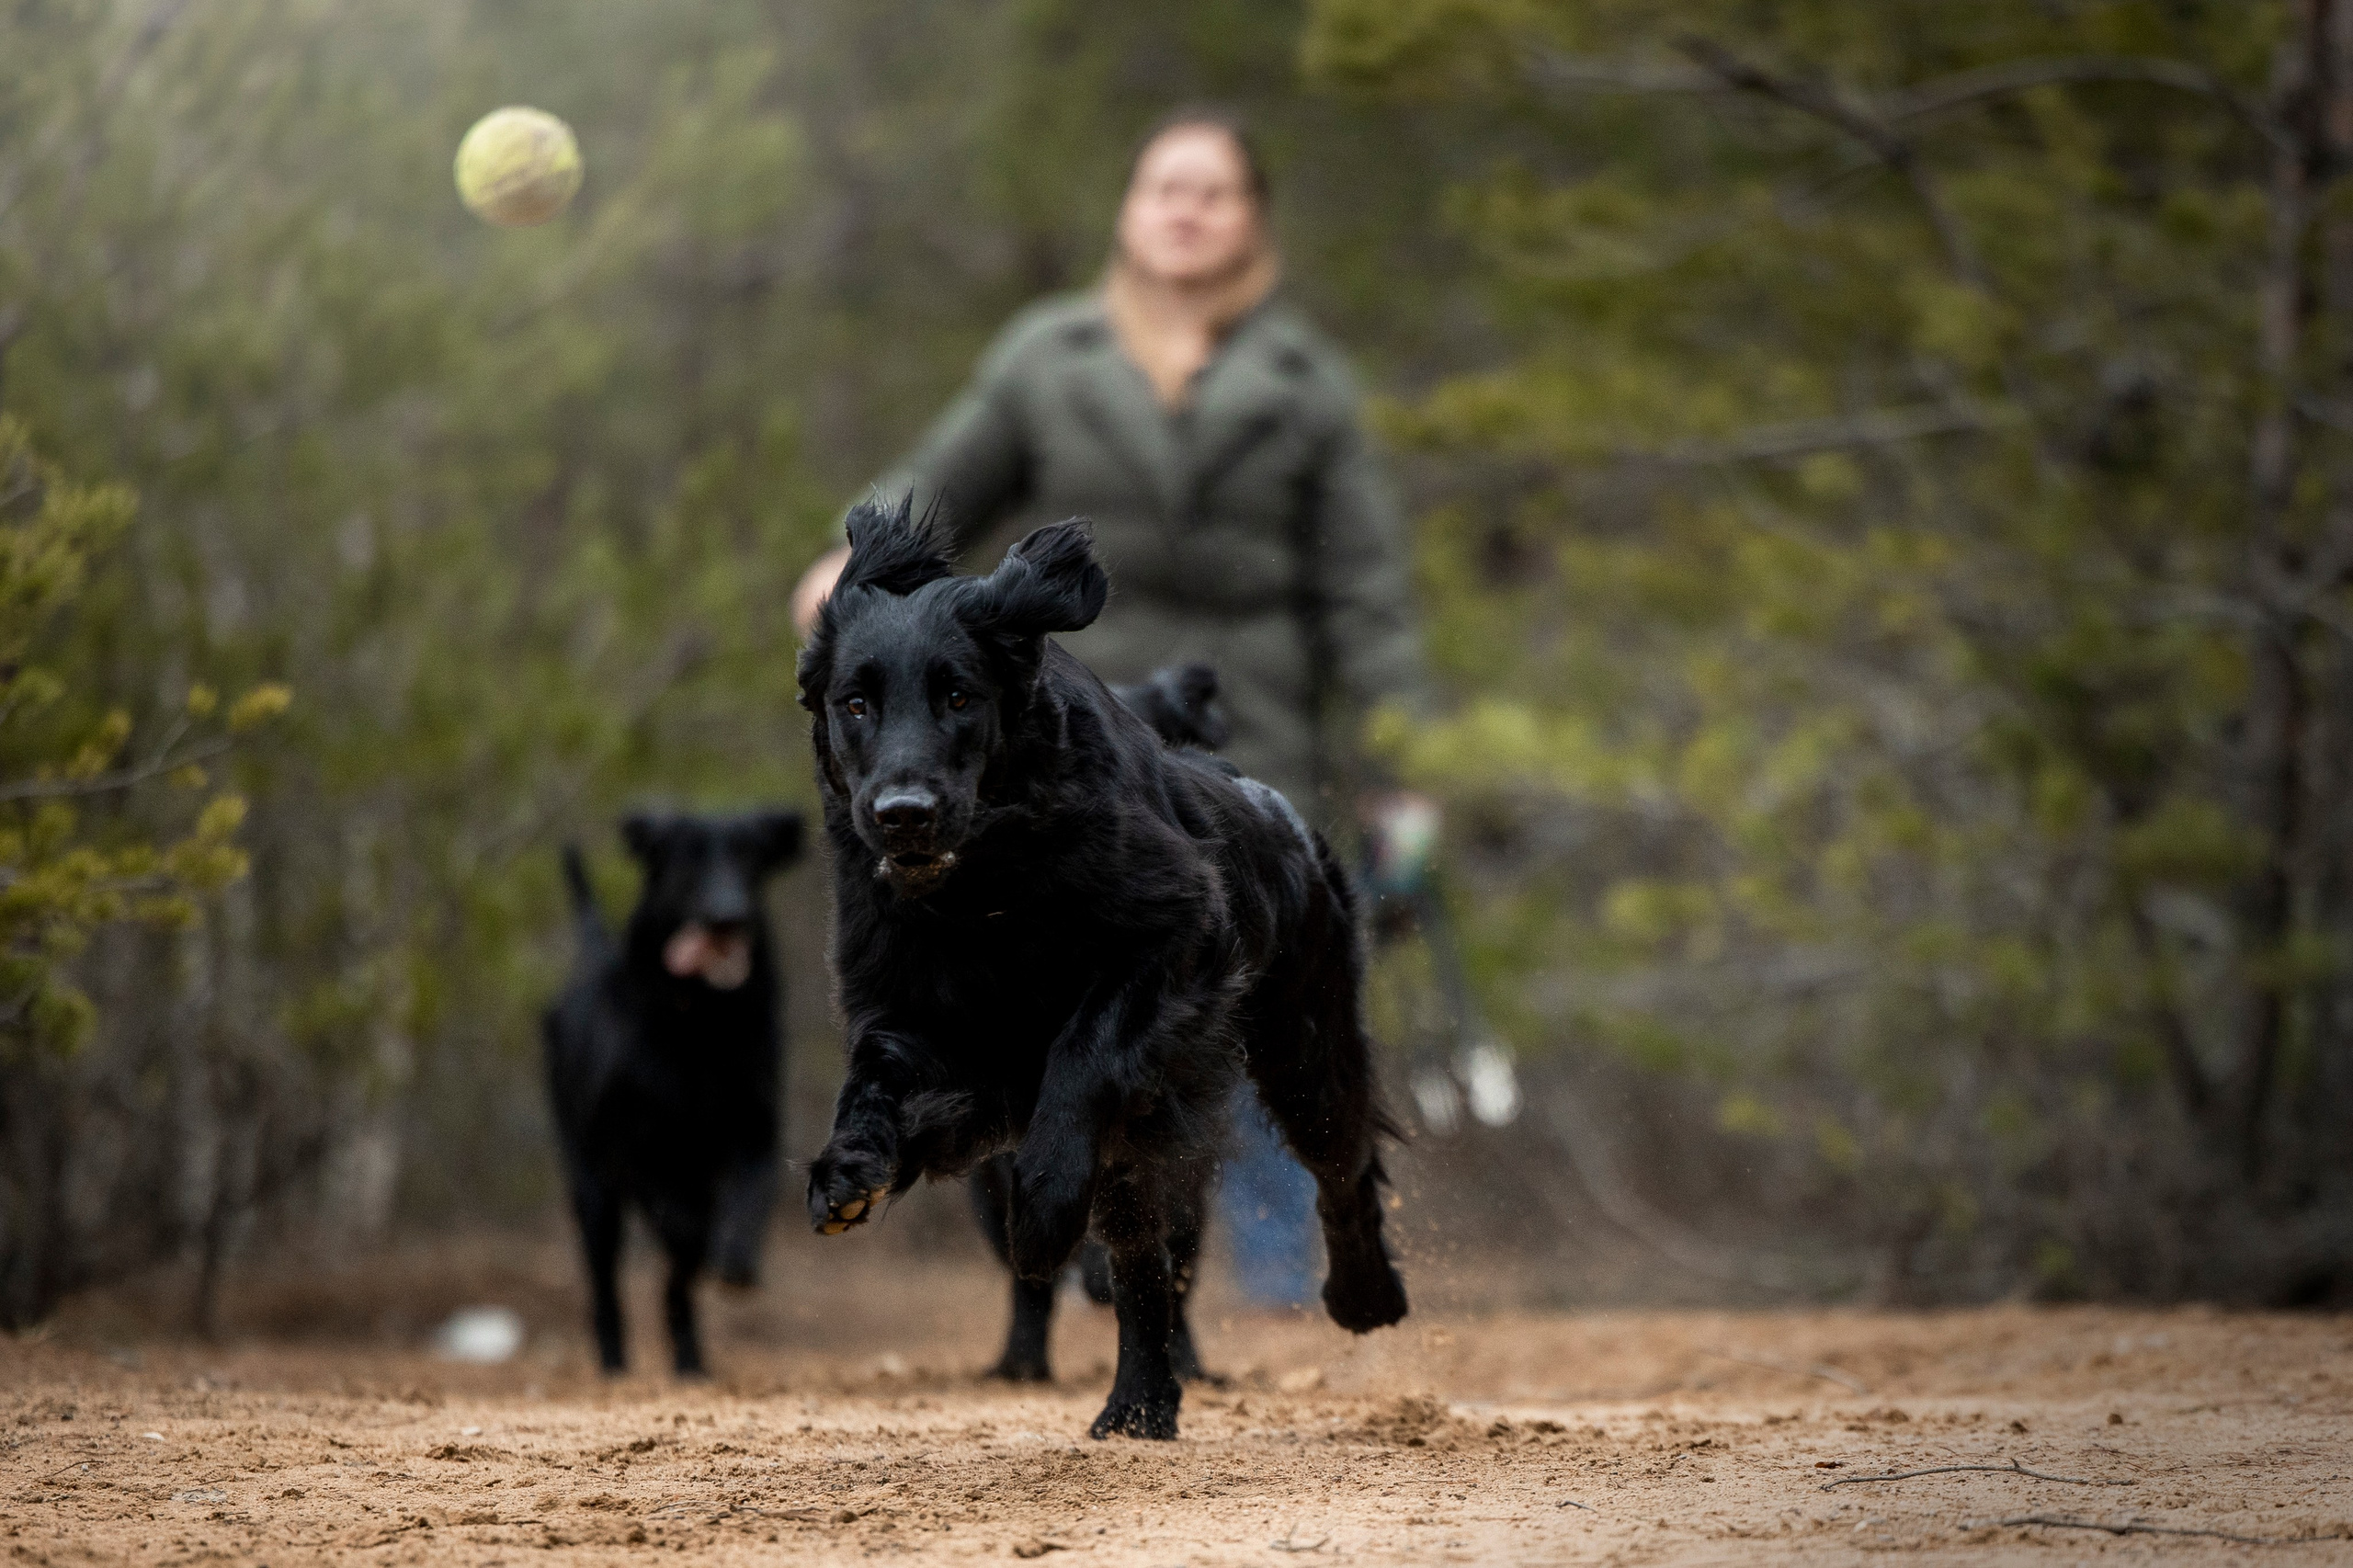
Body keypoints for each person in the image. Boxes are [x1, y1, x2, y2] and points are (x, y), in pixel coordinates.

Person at [791, 108, 1432, 1310]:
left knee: (1254, 1019)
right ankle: (1156, 1302)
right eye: (1162, 188)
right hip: (1083, 748)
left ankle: (1285, 1304)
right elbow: (934, 483)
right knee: (1092, 1018)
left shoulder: (1306, 382)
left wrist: (1404, 767)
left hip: (1254, 736)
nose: (1185, 209)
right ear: (1129, 212)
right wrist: (847, 575)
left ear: (1253, 220)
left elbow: (1368, 592)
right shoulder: (1048, 354)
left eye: (1214, 192)